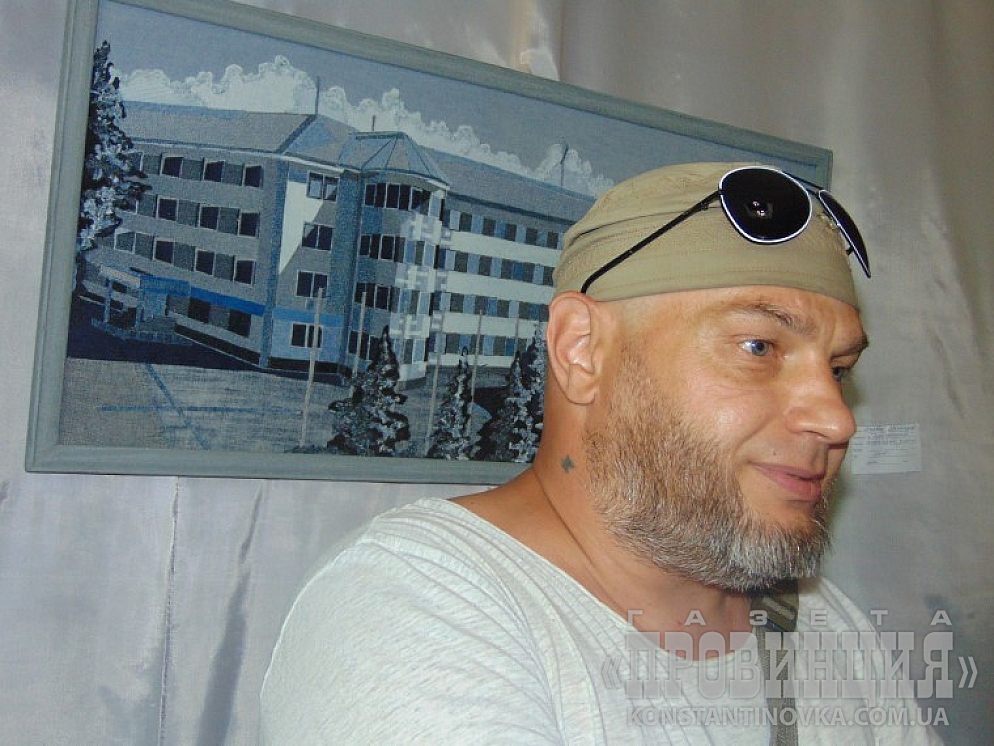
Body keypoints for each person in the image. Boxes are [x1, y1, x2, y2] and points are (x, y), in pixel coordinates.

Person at [260, 163, 941, 744]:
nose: (835, 419)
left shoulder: (831, 628)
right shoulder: (414, 608)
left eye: (839, 370)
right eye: (758, 347)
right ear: (582, 350)